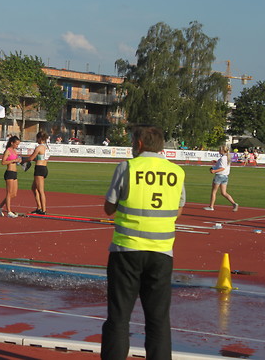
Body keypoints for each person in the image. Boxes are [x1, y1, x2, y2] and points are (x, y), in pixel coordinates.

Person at [101, 125, 186, 360]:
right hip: (161, 252)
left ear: (139, 143)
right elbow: (178, 209)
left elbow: (109, 208)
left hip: (126, 249)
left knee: (119, 317)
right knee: (158, 320)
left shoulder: (127, 167)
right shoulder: (176, 171)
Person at [22, 131, 50, 215]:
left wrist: (23, 160)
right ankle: (39, 207)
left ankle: (43, 210)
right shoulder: (47, 147)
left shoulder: (39, 147)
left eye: (37, 138)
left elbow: (31, 158)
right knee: (34, 188)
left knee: (40, 190)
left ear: (40, 138)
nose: (36, 140)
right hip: (44, 168)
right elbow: (39, 158)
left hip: (39, 169)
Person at [0, 135, 22, 218]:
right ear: (12, 143)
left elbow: (16, 160)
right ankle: (9, 211)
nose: (17, 146)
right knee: (9, 193)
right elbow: (3, 162)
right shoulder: (8, 151)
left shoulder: (15, 151)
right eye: (16, 144)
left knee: (14, 194)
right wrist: (13, 160)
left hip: (15, 173)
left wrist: (19, 161)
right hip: (9, 172)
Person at [203, 145, 238, 212]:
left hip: (219, 176)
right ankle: (234, 203)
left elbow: (222, 168)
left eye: (219, 149)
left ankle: (211, 206)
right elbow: (223, 165)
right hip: (225, 176)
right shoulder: (227, 157)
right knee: (223, 192)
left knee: (214, 191)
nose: (218, 151)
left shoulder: (223, 158)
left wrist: (214, 171)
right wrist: (217, 162)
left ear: (222, 151)